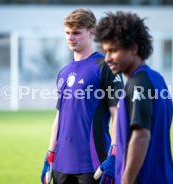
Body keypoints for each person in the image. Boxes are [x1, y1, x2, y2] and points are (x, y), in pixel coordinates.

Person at [40, 9, 123, 184]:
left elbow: (118, 114)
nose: (71, 37)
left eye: (76, 33)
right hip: (61, 164)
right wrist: (50, 153)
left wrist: (115, 153)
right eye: (67, 33)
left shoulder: (106, 66)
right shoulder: (64, 72)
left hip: (93, 163)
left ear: (92, 31)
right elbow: (59, 116)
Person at [95, 11, 173, 184]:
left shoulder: (138, 83)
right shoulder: (156, 78)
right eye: (105, 52)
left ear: (133, 48)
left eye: (113, 51)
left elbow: (141, 136)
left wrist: (126, 180)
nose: (107, 58)